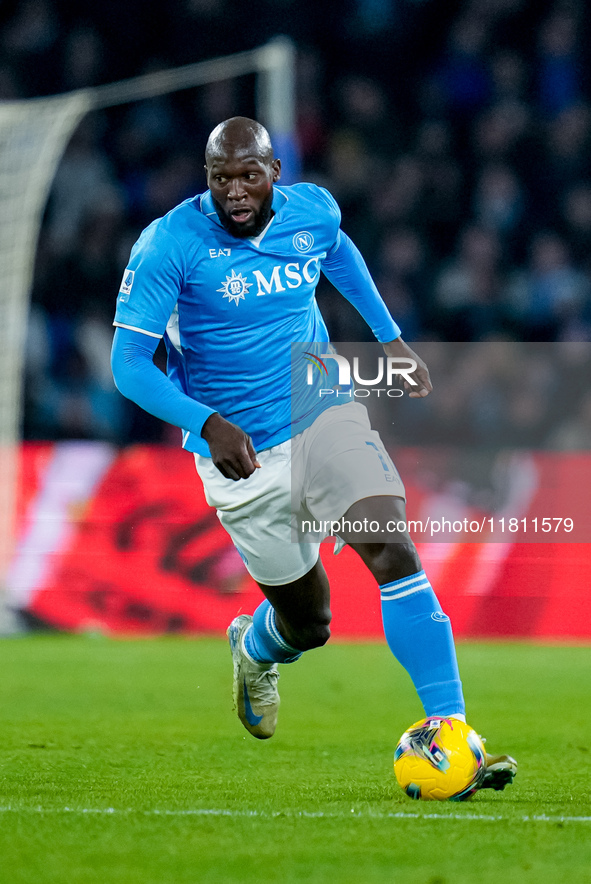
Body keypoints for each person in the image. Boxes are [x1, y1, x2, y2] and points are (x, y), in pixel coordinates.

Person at [111, 117, 516, 791]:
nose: (234, 193)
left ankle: (451, 731)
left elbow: (338, 252)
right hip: (238, 456)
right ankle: (255, 648)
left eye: (247, 176)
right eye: (220, 180)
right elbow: (129, 364)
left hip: (321, 408)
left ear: (275, 172)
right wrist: (207, 423)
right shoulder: (169, 245)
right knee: (308, 622)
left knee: (390, 543)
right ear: (205, 179)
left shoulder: (312, 210)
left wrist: (388, 339)